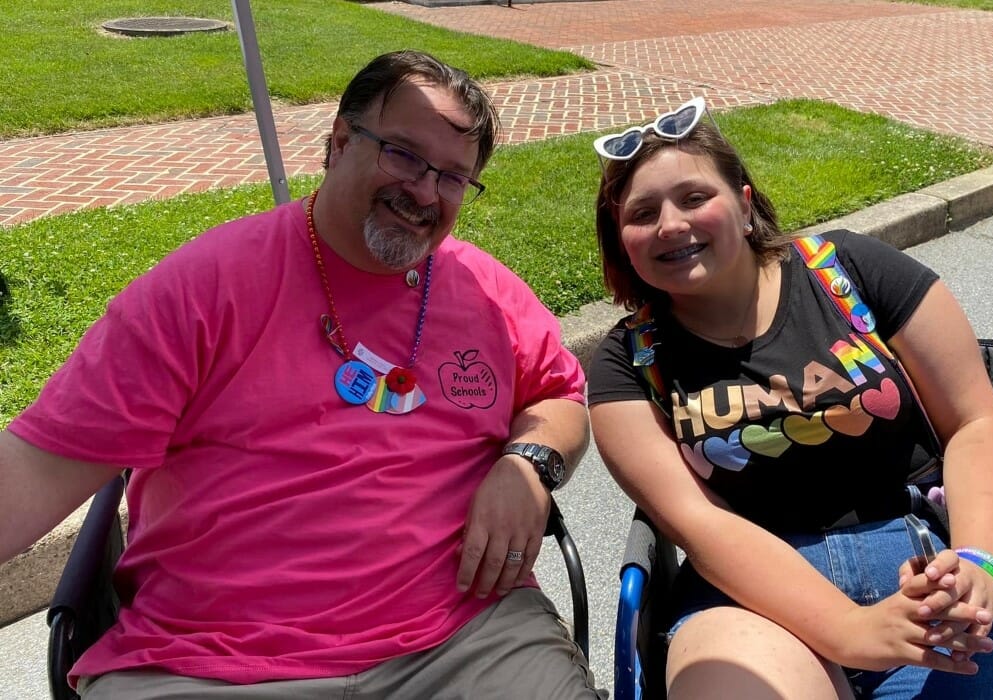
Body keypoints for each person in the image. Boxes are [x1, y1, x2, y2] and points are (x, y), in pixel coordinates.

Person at [0, 50, 600, 699]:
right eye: (403, 154)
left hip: (465, 639)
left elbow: (557, 393)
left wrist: (528, 464)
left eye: (453, 177)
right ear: (339, 141)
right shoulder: (203, 288)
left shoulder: (486, 290)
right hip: (210, 660)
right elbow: (32, 472)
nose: (426, 192)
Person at [586, 98, 993, 698]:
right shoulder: (628, 361)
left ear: (744, 201)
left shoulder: (850, 270)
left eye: (694, 197)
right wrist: (848, 629)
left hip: (923, 564)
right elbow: (700, 524)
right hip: (752, 598)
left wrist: (983, 567)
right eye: (643, 213)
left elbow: (974, 423)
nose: (671, 224)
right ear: (621, 240)